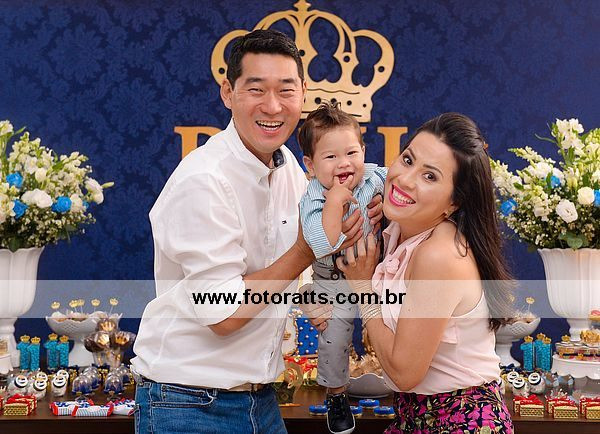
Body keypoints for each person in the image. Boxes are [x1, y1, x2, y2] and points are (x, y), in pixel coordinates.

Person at [131, 29, 381, 434]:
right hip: (189, 403)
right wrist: (307, 249)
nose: (273, 106)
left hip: (260, 400)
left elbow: (298, 254)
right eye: (256, 89)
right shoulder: (204, 180)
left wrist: (370, 214)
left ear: (303, 93)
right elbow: (224, 312)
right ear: (228, 93)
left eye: (286, 90)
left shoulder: (289, 167)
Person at [334, 113, 515, 433]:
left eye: (429, 176)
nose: (405, 179)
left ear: (453, 203)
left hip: (460, 421)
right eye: (407, 160)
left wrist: (362, 288)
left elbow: (404, 373)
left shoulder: (438, 255)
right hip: (416, 416)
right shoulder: (402, 230)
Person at [297, 101, 387, 434]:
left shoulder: (373, 177)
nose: (344, 163)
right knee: (333, 340)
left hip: (376, 275)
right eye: (330, 157)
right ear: (310, 165)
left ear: (363, 151)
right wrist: (334, 202)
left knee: (395, 326)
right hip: (332, 279)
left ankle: (407, 385)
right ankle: (336, 395)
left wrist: (389, 206)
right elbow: (321, 242)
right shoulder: (313, 197)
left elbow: (409, 190)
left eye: (351, 153)